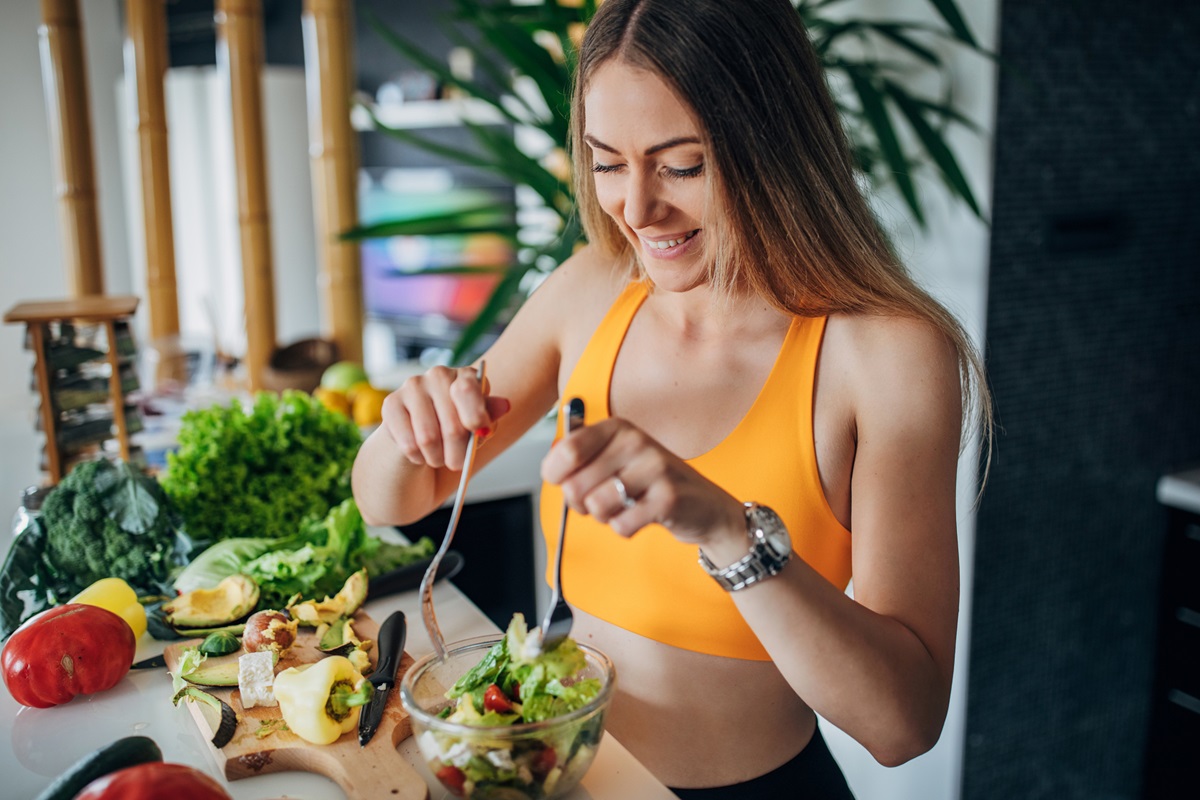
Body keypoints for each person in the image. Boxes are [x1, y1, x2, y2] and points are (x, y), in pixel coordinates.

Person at [352, 0, 992, 796]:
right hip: (561, 780)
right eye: (607, 161)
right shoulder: (592, 291)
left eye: (681, 165)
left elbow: (905, 726)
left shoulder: (884, 355)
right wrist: (407, 424)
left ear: (774, 144)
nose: (635, 207)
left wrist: (727, 531)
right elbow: (392, 498)